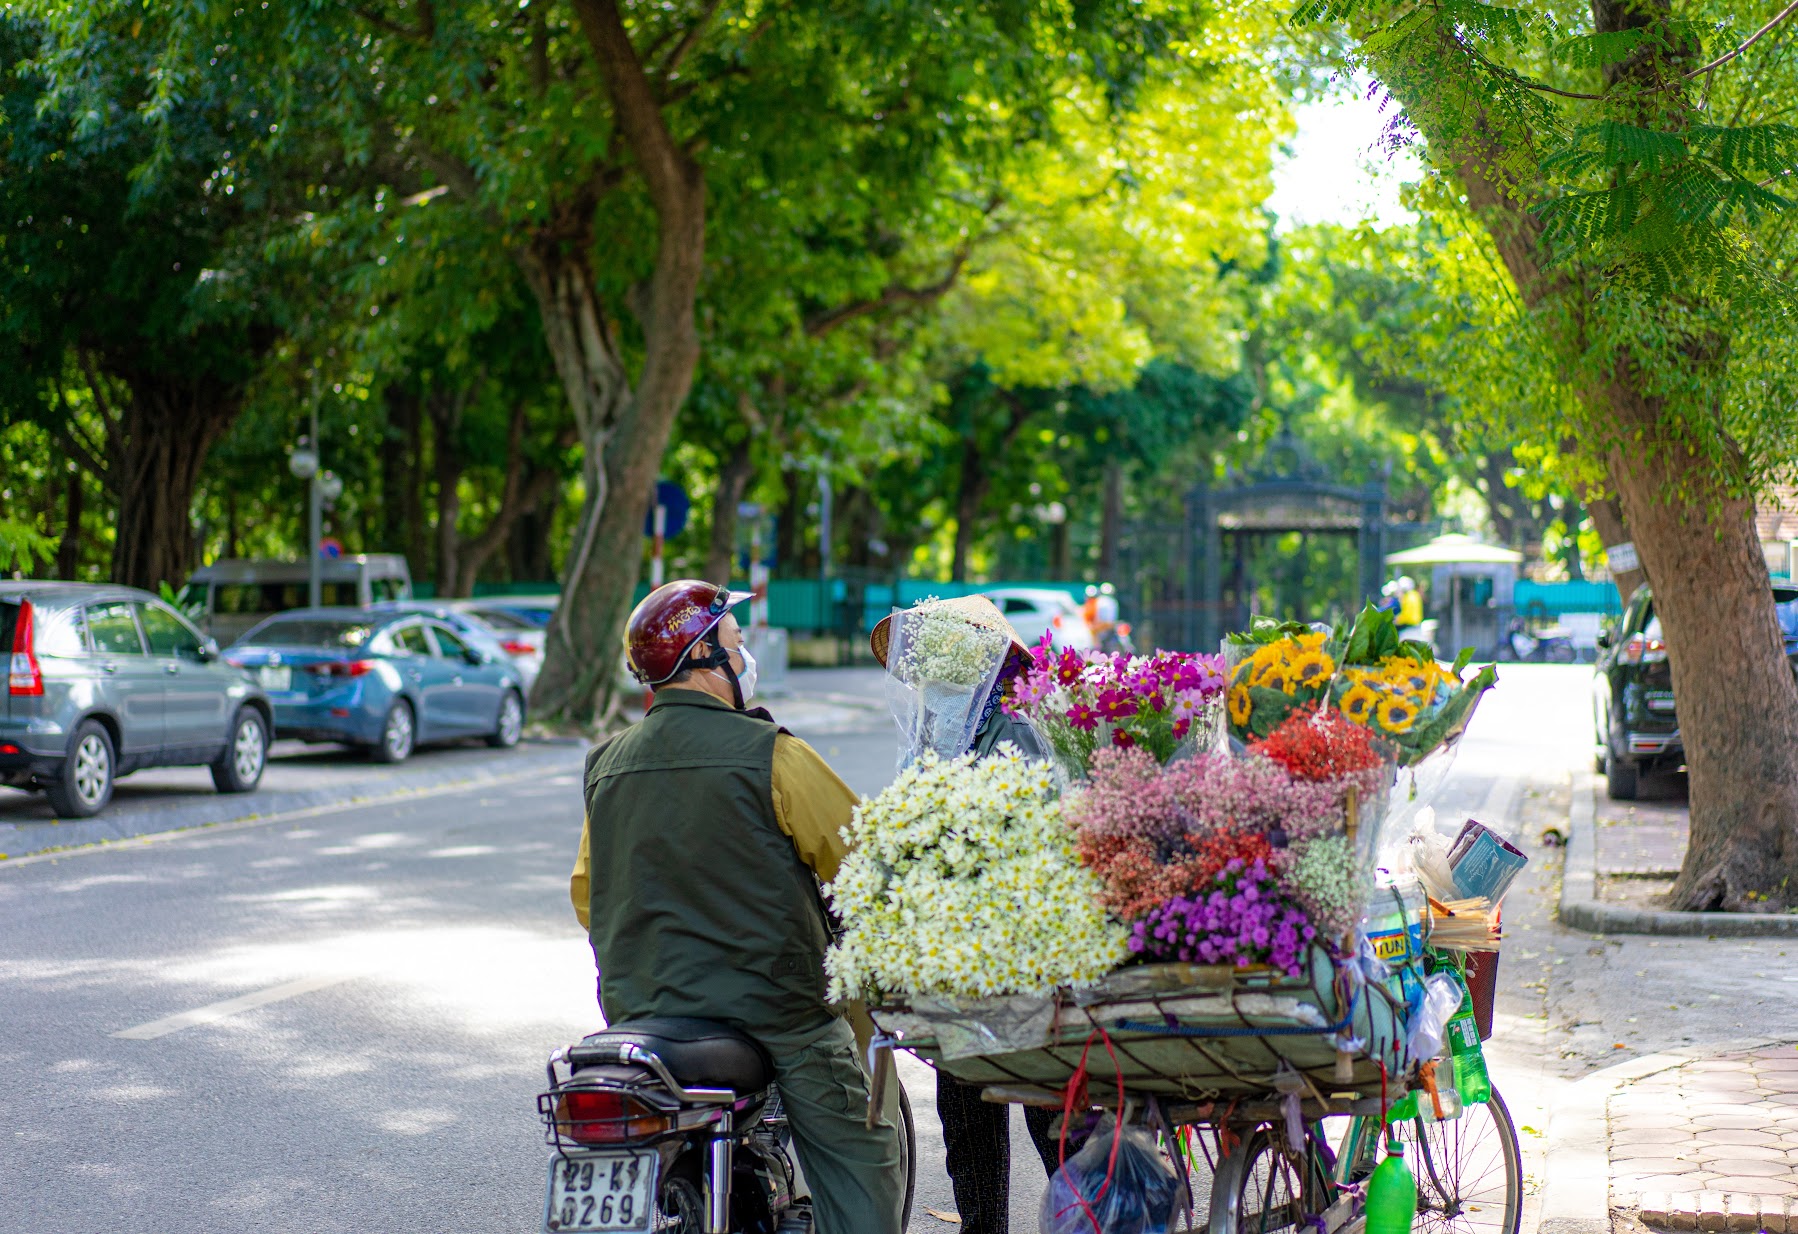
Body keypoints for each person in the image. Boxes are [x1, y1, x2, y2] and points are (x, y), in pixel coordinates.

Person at [568, 579, 904, 1234]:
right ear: (705, 660)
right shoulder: (773, 756)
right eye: (736, 643)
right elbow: (863, 868)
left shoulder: (606, 766)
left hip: (640, 1011)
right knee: (863, 1152)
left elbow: (588, 895)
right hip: (777, 1014)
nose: (745, 657)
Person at [870, 595, 1066, 1234]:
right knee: (965, 1100)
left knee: (1037, 1099)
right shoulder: (936, 724)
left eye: (954, 657)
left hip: (1019, 952)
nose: (938, 673)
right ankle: (983, 1224)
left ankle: (1081, 1213)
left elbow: (1032, 838)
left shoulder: (1018, 728)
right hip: (954, 956)